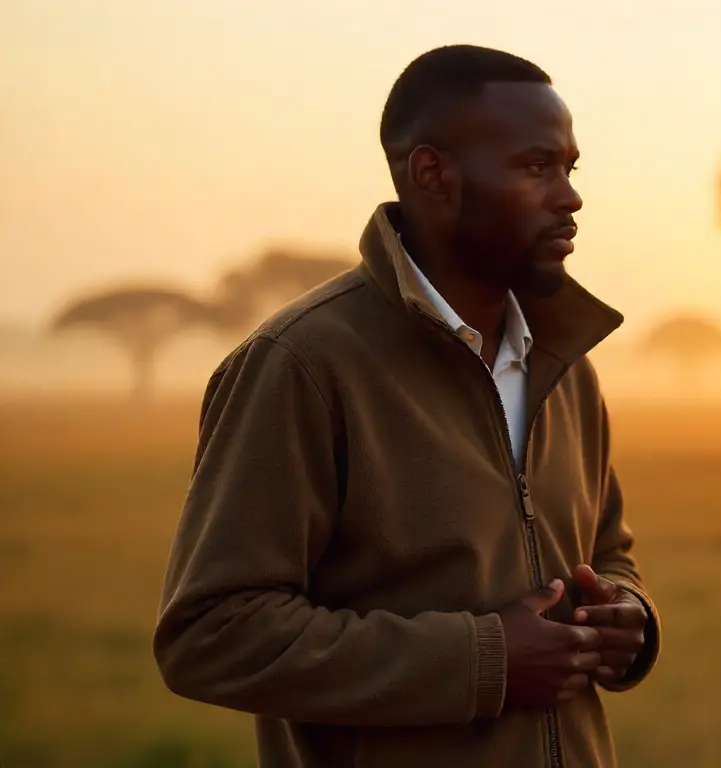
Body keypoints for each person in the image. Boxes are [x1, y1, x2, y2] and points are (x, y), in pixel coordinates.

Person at [153, 45, 660, 768]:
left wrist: (626, 615)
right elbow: (212, 633)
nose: (570, 197)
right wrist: (483, 661)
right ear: (433, 175)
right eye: (536, 166)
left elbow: (608, 551)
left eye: (570, 169)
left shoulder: (565, 365)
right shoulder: (303, 364)